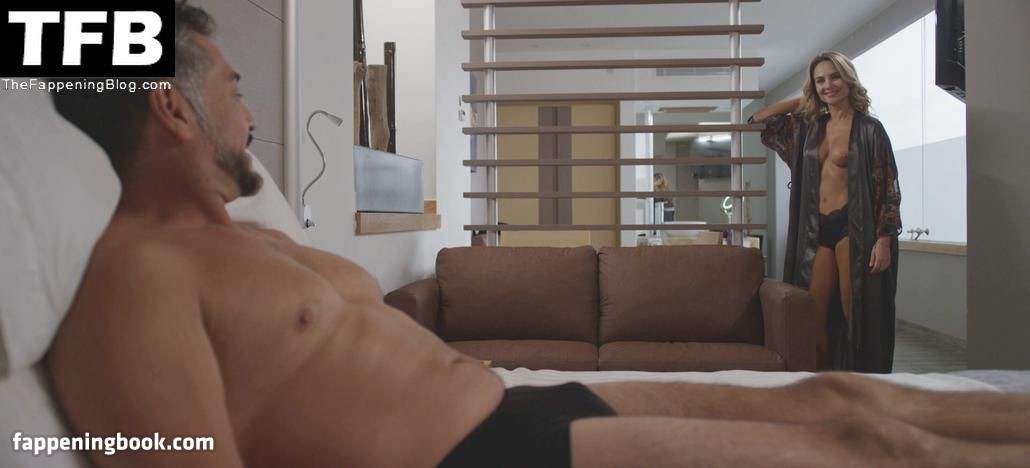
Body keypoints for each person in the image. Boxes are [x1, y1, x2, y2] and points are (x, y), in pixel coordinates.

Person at [45, 4, 1030, 467]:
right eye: (234, 87)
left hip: (511, 400)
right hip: (474, 454)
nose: (252, 110)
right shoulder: (137, 278)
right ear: (172, 109)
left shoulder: (254, 237)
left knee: (841, 396)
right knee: (866, 446)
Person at [750, 52, 902, 372]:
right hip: (815, 229)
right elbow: (760, 119)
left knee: (855, 312)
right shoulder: (808, 129)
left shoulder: (870, 129)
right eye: (820, 80)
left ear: (848, 79)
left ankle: (860, 386)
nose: (828, 85)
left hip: (854, 227)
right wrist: (805, 100)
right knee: (812, 315)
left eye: (834, 77)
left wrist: (884, 239)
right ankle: (821, 383)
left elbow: (887, 186)